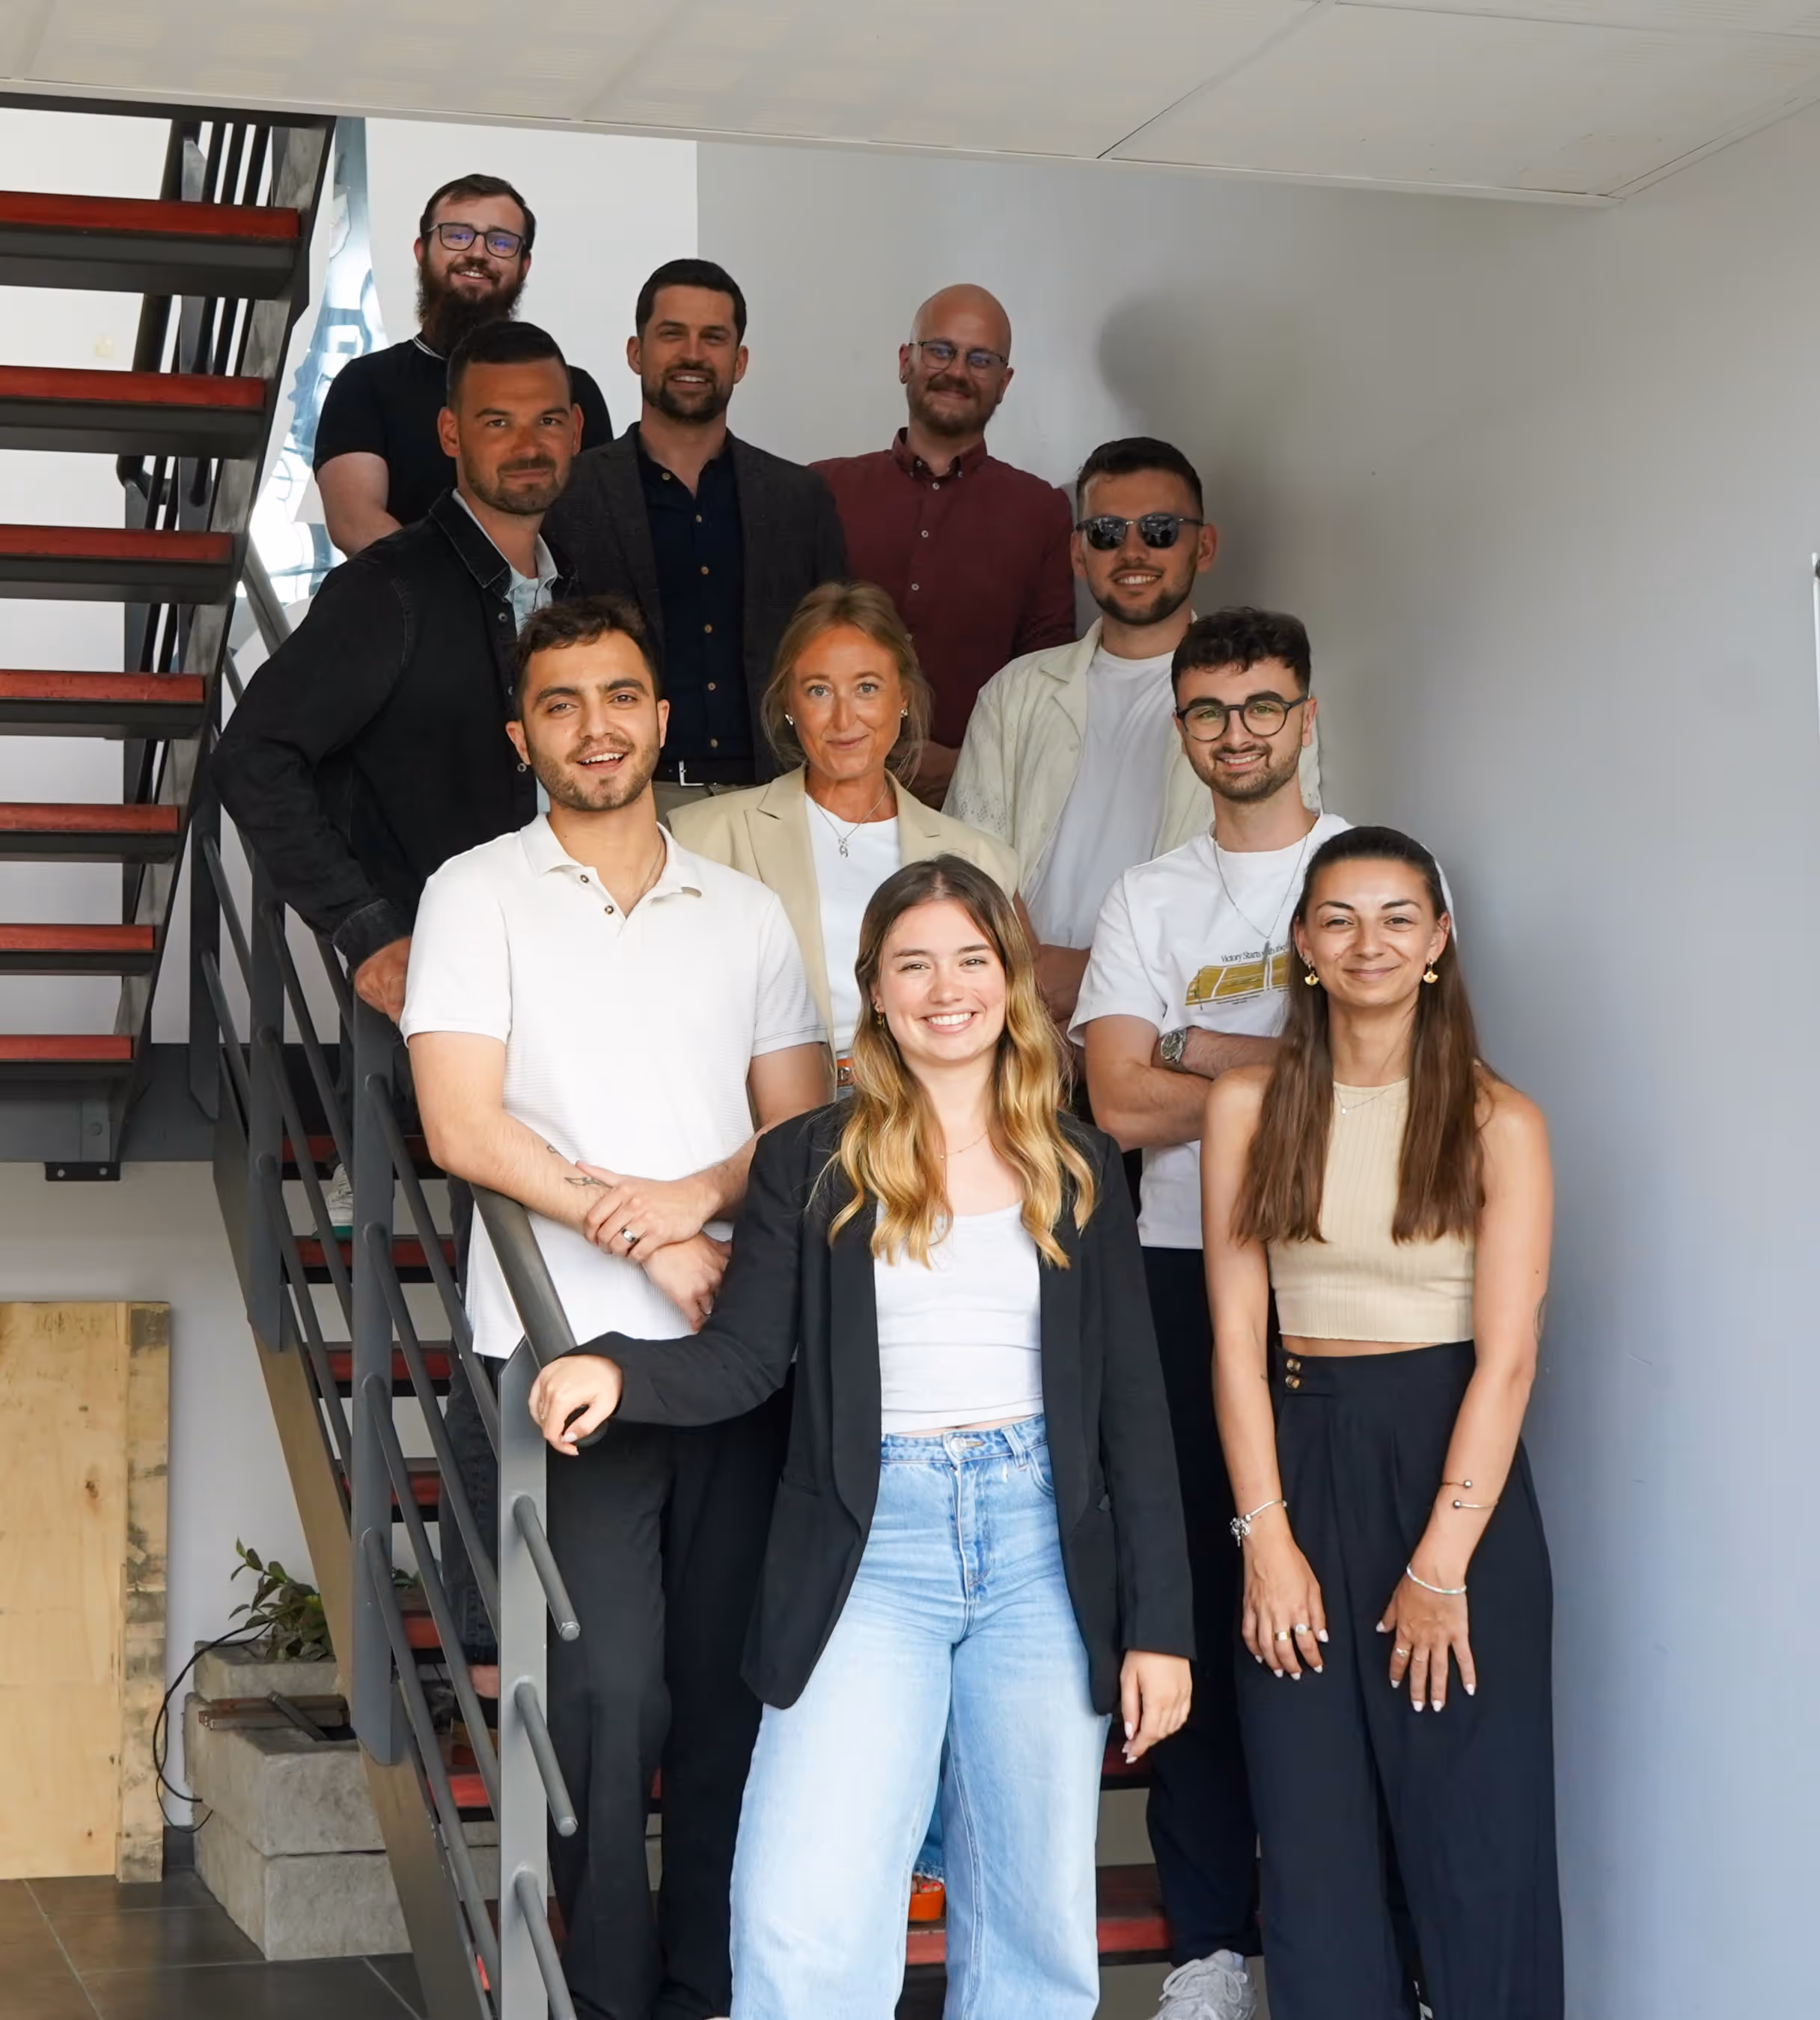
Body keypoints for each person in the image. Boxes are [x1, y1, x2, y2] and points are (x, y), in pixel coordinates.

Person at [527, 856, 1196, 2020]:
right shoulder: (812, 1159)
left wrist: (1163, 1628)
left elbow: (1134, 1407)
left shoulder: (1079, 1162)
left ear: (1012, 979)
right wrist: (613, 1367)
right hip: (868, 1547)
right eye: (915, 964)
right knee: (803, 1908)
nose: (948, 988)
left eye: (973, 960)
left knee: (1032, 1918)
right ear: (875, 991)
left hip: (1043, 1544)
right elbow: (745, 1357)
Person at [402, 594, 828, 2020]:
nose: (598, 724)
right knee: (608, 1701)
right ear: (521, 732)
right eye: (565, 701)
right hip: (560, 1354)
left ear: (662, 716)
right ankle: (605, 1989)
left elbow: (802, 1125)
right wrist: (628, 1231)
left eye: (623, 695)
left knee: (721, 1694)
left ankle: (707, 1984)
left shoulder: (746, 908)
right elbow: (461, 1123)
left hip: (730, 1346)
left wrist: (684, 1203)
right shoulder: (475, 889)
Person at [1201, 826, 1561, 2020]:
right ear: (1303, 942)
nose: (1370, 941)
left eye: (1400, 916)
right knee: (1313, 1846)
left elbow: (1507, 1362)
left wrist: (1441, 1565)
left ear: (1438, 942)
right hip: (1296, 1460)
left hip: (1454, 1470)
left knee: (1477, 1845)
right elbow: (1237, 1343)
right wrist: (1266, 1538)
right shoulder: (1249, 1102)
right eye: (1341, 917)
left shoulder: (1498, 1119)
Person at [1073, 606, 1350, 2020]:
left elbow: (1383, 1061)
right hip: (1175, 1267)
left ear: (1305, 712)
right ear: (1178, 728)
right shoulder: (1148, 895)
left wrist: (1194, 1042)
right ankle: (1205, 1949)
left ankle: (1332, 1934)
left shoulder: (1366, 868)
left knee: (1326, 1606)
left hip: (1342, 1280)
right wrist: (1286, 1058)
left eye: (1261, 704)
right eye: (1208, 709)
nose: (1236, 730)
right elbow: (1117, 1099)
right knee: (1187, 1588)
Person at [214, 318, 581, 1023]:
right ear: (451, 434)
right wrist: (367, 928)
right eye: (497, 421)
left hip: (577, 965)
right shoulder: (389, 588)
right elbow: (251, 753)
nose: (528, 445)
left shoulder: (583, 591)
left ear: (575, 431)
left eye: (548, 420)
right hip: (453, 982)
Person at [671, 581, 1020, 1084]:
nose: (843, 717)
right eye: (818, 690)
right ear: (789, 702)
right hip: (770, 1121)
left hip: (929, 1117)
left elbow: (1016, 1032)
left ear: (902, 696)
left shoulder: (979, 859)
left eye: (867, 688)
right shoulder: (704, 837)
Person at [545, 258, 847, 817]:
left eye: (713, 338)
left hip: (775, 799)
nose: (692, 355)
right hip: (626, 797)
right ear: (636, 352)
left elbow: (835, 654)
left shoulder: (800, 499)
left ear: (741, 360)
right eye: (672, 334)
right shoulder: (569, 495)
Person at [947, 437, 1218, 1026]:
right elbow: (971, 857)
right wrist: (1031, 977)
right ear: (1077, 553)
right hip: (1019, 1025)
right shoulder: (1013, 692)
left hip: (1170, 1028)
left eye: (1161, 529)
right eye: (1106, 533)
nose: (1133, 550)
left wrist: (1100, 974)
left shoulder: (1254, 700)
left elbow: (1263, 877)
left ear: (1205, 545)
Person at [812, 285, 1075, 802]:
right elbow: (785, 646)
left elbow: (1049, 672)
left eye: (980, 359)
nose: (956, 371)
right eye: (940, 350)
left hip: (971, 802)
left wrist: (967, 763)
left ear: (1005, 381)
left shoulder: (1041, 511)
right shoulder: (821, 491)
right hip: (821, 792)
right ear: (905, 360)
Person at [314, 172, 612, 555]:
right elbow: (355, 522)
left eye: (501, 242)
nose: (477, 253)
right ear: (422, 251)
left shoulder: (574, 390)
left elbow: (593, 521)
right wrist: (471, 595)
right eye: (457, 235)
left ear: (524, 266)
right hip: (416, 610)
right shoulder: (366, 384)